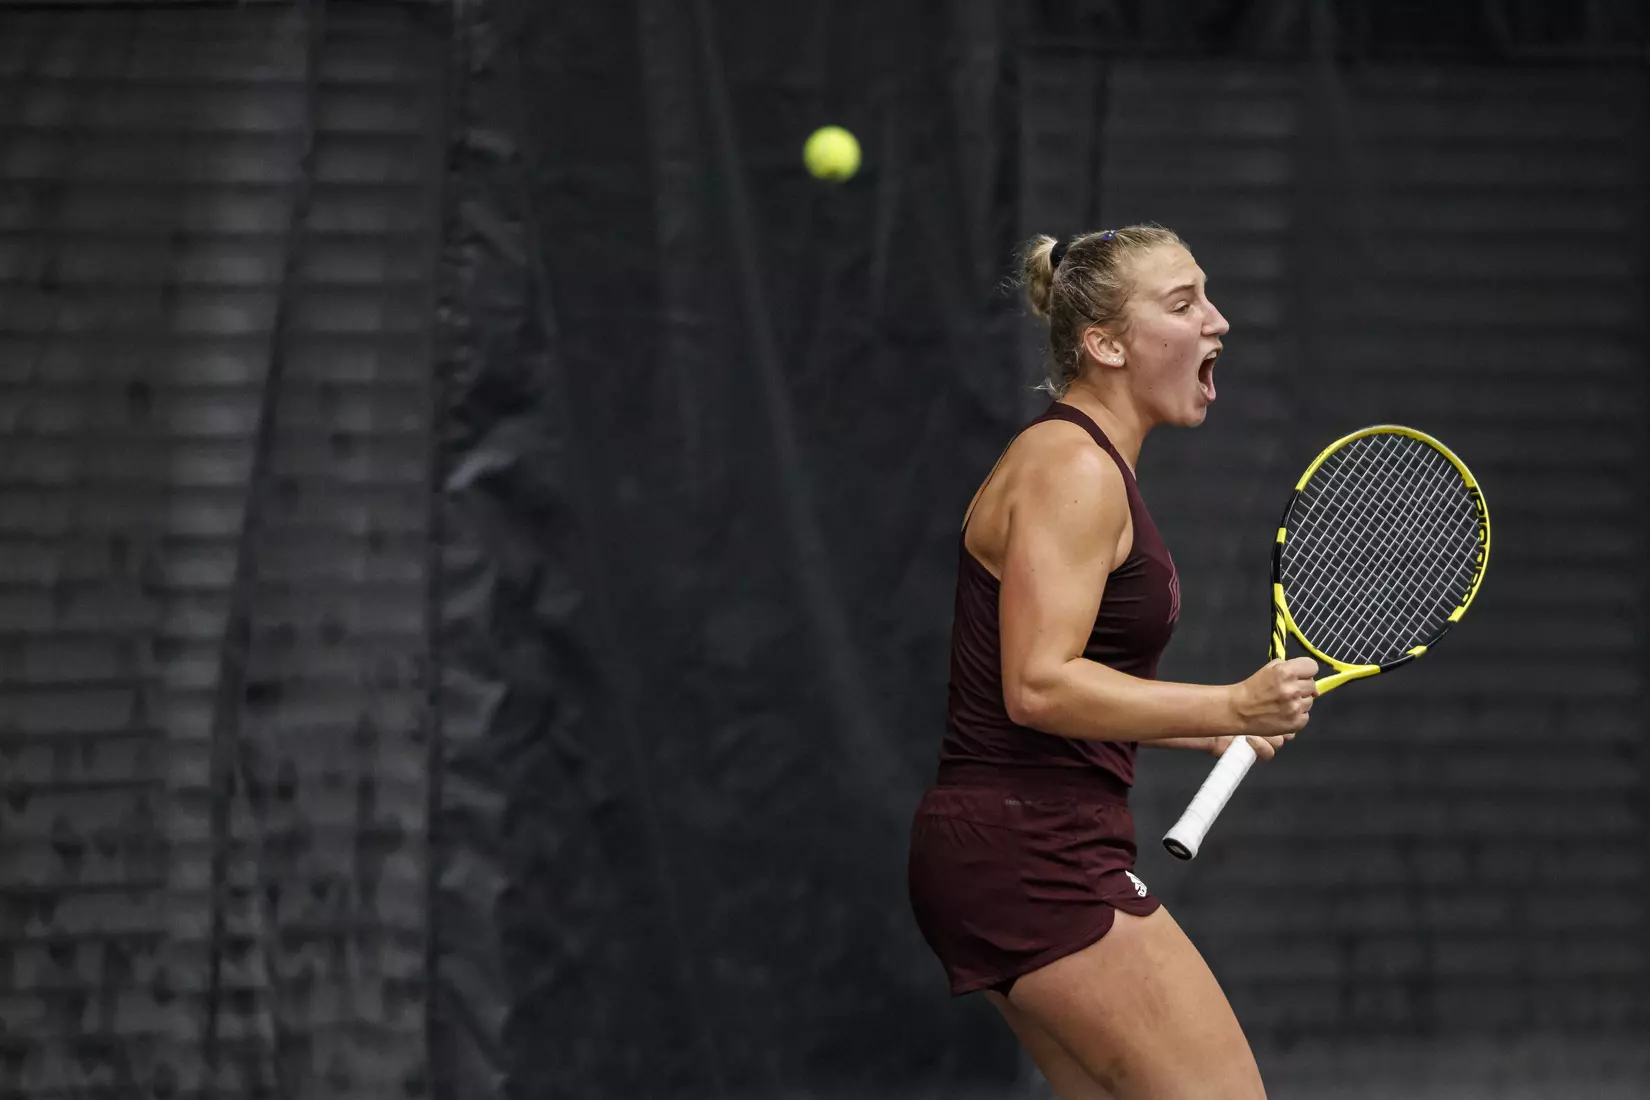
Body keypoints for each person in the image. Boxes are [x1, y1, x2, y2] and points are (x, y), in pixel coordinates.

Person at [906, 225, 1320, 1100]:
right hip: (1033, 853)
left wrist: (1201, 732)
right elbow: (1037, 685)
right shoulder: (1072, 468)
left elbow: (1059, 682)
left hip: (1015, 847)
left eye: (1207, 295)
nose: (1218, 321)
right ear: (1105, 345)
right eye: (1182, 303)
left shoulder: (1081, 465)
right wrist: (1230, 707)